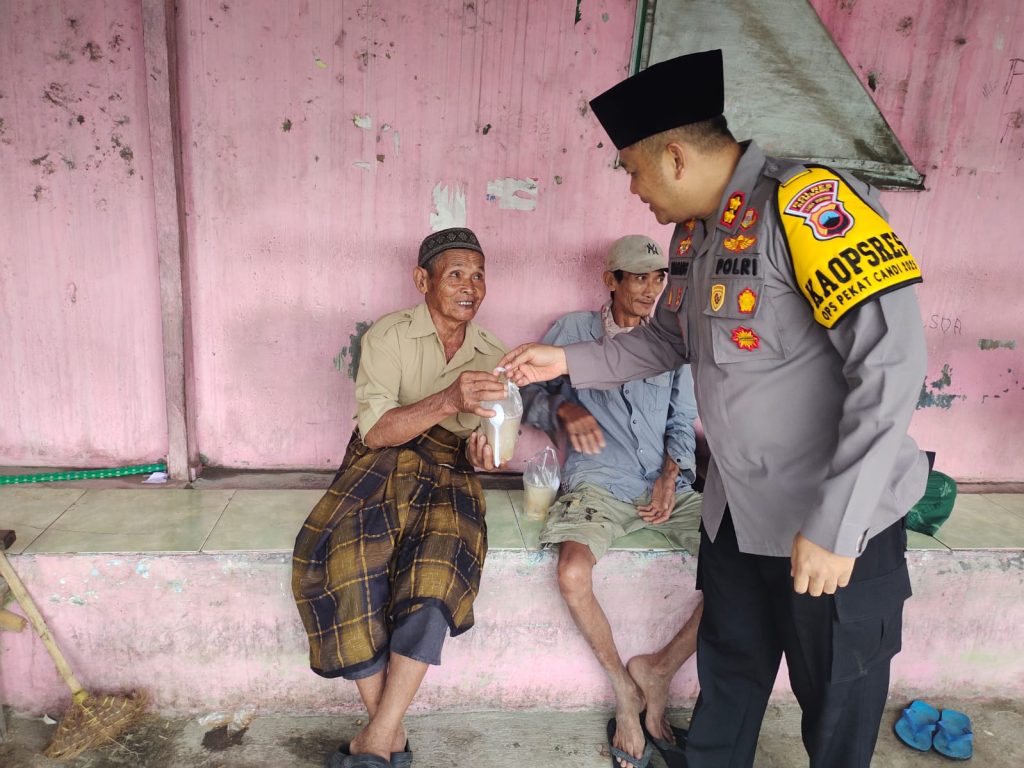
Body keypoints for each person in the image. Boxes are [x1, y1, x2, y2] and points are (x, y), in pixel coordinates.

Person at [501, 49, 929, 768]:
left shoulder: (807, 206)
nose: (632, 187)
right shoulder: (696, 234)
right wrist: (566, 360)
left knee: (836, 710)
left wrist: (838, 522)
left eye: (631, 169)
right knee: (727, 682)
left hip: (829, 521)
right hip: (737, 516)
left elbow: (891, 363)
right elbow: (666, 342)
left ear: (673, 156)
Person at [292, 227, 508, 768]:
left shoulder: (493, 352)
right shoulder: (387, 336)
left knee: (439, 571)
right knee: (345, 560)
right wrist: (450, 398)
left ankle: (377, 738)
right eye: (456, 274)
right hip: (380, 460)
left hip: (449, 469)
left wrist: (488, 448)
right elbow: (377, 431)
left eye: (478, 275)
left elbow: (500, 431)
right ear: (422, 280)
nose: (471, 286)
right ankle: (388, 733)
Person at [519, 234, 703, 768]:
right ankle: (624, 688)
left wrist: (671, 475)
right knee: (573, 572)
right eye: (638, 277)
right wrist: (563, 409)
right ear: (611, 280)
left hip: (664, 485)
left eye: (658, 278)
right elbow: (527, 392)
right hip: (599, 482)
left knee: (744, 571)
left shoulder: (673, 341)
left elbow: (680, 421)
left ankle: (658, 671)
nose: (650, 289)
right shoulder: (573, 332)